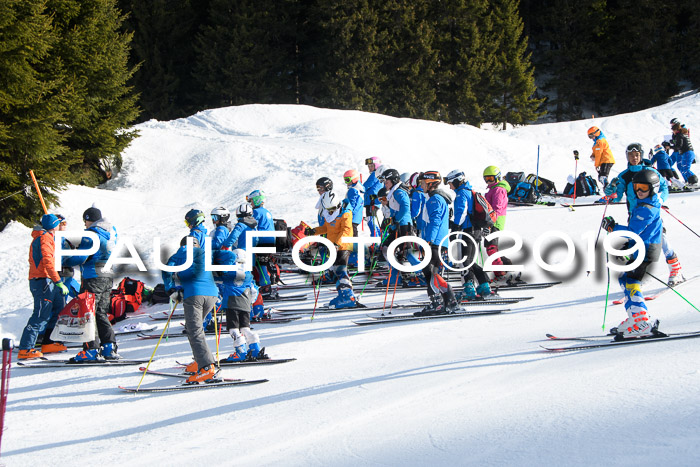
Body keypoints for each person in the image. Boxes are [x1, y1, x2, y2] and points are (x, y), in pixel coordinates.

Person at [606, 143, 683, 285]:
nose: (634, 158)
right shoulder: (624, 175)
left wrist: (660, 198)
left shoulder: (650, 171)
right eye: (631, 155)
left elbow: (664, 186)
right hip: (634, 215)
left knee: (660, 240)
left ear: (641, 155)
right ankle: (637, 276)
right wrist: (611, 189)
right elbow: (615, 197)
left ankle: (675, 269)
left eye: (637, 155)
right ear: (627, 156)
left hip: (651, 213)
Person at [601, 170, 663, 339]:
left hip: (646, 249)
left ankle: (641, 321)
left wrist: (613, 228)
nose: (639, 191)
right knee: (625, 279)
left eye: (643, 187)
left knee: (631, 282)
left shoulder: (647, 208)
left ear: (653, 188)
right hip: (642, 246)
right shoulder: (648, 202)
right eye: (636, 187)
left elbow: (633, 230)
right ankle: (635, 318)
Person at [64, 207, 119, 361]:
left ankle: (91, 350)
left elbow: (81, 257)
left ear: (89, 219)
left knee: (88, 313)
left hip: (93, 277)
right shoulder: (111, 232)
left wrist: (66, 259)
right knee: (101, 312)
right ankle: (109, 347)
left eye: (85, 221)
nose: (85, 225)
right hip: (108, 276)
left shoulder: (91, 235)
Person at [163, 236, 220, 383]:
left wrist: (171, 289)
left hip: (194, 295)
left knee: (195, 331)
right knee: (194, 328)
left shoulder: (181, 253)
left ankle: (207, 368)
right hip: (212, 295)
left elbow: (167, 270)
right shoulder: (204, 253)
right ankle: (199, 361)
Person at [17, 214, 70, 359]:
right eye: (59, 223)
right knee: (41, 314)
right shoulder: (44, 238)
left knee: (57, 309)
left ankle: (48, 342)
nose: (61, 225)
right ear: (54, 225)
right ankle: (26, 348)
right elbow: (47, 261)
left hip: (48, 280)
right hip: (42, 280)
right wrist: (58, 281)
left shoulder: (49, 237)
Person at [414, 171, 459, 316]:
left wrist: (429, 240)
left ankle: (439, 302)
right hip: (439, 241)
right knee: (431, 272)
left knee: (430, 272)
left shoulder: (434, 200)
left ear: (430, 184)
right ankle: (447, 301)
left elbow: (435, 221)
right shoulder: (437, 198)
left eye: (422, 183)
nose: (421, 186)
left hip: (435, 242)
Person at [305, 191, 357, 308]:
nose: (331, 212)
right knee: (335, 271)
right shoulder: (330, 213)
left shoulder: (345, 213)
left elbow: (346, 231)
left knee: (340, 270)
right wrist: (314, 231)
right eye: (329, 210)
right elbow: (327, 228)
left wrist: (336, 244)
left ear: (338, 204)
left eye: (333, 209)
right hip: (334, 246)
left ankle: (348, 297)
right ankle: (344, 295)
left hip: (343, 246)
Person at [213, 248, 267, 362]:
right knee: (245, 328)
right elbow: (254, 290)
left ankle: (241, 352)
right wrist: (250, 302)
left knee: (234, 329)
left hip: (232, 303)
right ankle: (255, 349)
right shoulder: (248, 274)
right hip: (245, 304)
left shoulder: (228, 271)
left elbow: (217, 280)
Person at [445, 170, 492, 300]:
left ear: (456, 181)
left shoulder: (461, 194)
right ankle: (483, 285)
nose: (450, 186)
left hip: (467, 230)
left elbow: (461, 213)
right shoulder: (468, 191)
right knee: (469, 261)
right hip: (474, 230)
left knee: (465, 261)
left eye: (450, 183)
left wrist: (455, 229)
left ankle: (470, 288)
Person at [377, 168, 422, 288]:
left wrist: (397, 220)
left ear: (393, 180)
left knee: (402, 251)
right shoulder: (394, 192)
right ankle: (395, 276)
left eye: (386, 181)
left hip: (404, 226)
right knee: (389, 248)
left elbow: (405, 207)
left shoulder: (399, 192)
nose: (385, 184)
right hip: (399, 225)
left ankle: (421, 273)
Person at [483, 166, 513, 282]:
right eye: (486, 179)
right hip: (491, 222)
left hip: (495, 222)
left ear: (497, 177)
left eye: (491, 178)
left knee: (492, 248)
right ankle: (506, 266)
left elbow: (497, 208)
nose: (489, 181)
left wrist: (490, 223)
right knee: (491, 247)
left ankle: (501, 274)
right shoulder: (493, 189)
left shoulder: (498, 190)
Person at [247, 190, 276, 297]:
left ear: (257, 200)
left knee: (260, 264)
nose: (251, 204)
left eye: (251, 201)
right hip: (270, 240)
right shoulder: (266, 212)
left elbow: (252, 226)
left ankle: (266, 286)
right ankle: (266, 284)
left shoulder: (256, 212)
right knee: (263, 263)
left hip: (262, 241)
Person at [670, 120, 698, 186]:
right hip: (686, 153)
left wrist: (670, 147)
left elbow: (679, 146)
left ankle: (694, 181)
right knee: (683, 168)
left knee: (685, 168)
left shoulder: (679, 135)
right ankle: (689, 181)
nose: (673, 132)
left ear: (676, 130)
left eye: (673, 130)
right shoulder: (681, 133)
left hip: (687, 152)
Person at [363, 157, 383, 237]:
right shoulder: (376, 174)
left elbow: (366, 186)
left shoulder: (375, 174)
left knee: (371, 221)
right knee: (372, 221)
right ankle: (379, 238)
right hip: (371, 201)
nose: (369, 168)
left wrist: (357, 186)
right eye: (369, 166)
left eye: (371, 166)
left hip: (372, 201)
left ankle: (375, 240)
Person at [342, 169, 365, 236]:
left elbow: (352, 204)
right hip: (356, 216)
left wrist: (348, 212)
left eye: (347, 180)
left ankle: (355, 245)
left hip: (352, 216)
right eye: (345, 180)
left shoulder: (353, 190)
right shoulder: (358, 189)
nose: (346, 182)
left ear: (354, 179)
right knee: (353, 231)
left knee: (352, 232)